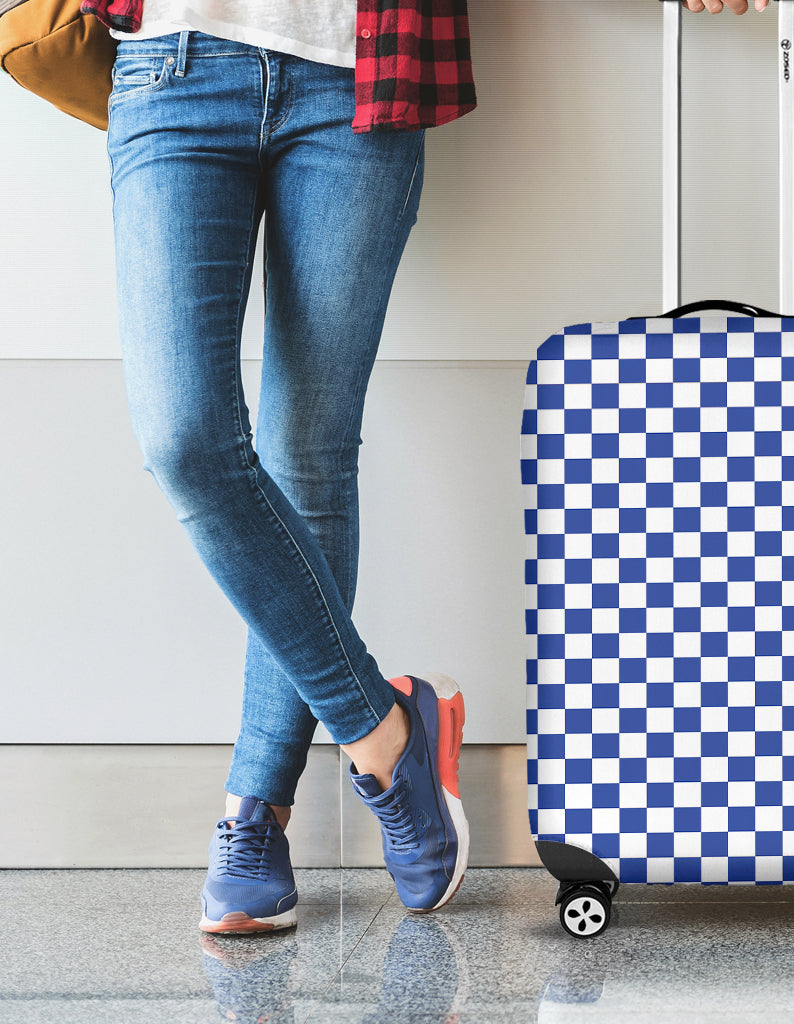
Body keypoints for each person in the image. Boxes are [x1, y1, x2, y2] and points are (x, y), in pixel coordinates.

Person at [85, 0, 476, 932]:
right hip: (173, 69)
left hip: (358, 79)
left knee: (307, 456)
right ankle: (386, 730)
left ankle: (255, 813)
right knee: (184, 441)